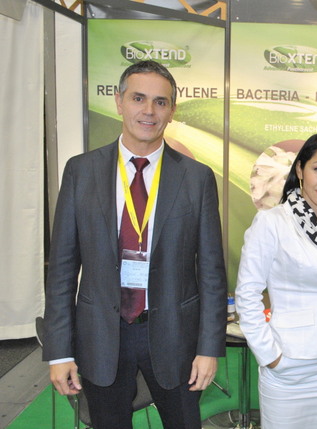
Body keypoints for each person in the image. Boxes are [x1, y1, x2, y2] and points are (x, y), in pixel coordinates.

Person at [42, 60, 228, 429]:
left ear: (172, 111)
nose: (149, 111)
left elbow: (211, 273)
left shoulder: (197, 178)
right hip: (101, 336)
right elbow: (62, 270)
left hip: (175, 335)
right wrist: (59, 351)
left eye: (161, 102)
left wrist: (209, 349)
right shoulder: (81, 171)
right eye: (138, 98)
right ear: (119, 101)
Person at [235, 133, 317, 429]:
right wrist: (271, 356)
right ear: (300, 170)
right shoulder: (273, 222)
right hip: (290, 364)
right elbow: (247, 293)